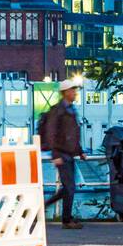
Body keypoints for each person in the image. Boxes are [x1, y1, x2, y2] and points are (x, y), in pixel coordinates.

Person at [40, 77, 85, 229]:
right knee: (70, 187)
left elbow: (73, 133)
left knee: (68, 187)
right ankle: (66, 220)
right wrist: (55, 155)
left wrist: (80, 151)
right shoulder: (58, 110)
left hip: (69, 153)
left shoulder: (70, 109)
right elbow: (51, 133)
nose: (75, 93)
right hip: (61, 154)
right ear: (65, 92)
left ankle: (43, 206)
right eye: (72, 90)